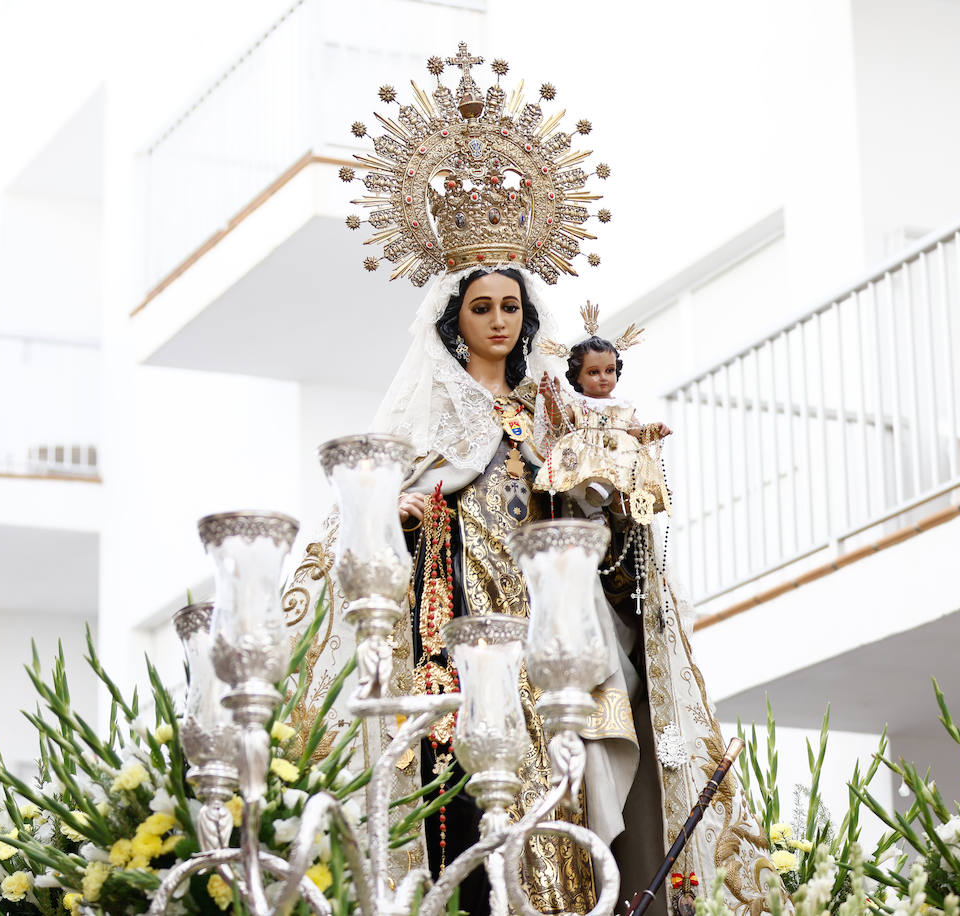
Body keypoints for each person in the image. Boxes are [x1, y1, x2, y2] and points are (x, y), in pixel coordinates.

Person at [282, 44, 779, 916]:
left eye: (512, 306)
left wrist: (615, 482)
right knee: (482, 794)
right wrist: (406, 510)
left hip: (562, 624)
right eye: (483, 308)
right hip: (465, 632)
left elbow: (598, 509)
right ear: (452, 319)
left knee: (583, 762)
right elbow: (367, 522)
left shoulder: (553, 404)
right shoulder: (423, 421)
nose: (500, 322)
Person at [535, 303, 673, 524]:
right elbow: (559, 421)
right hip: (585, 455)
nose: (603, 377)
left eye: (609, 371)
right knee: (579, 484)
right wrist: (551, 399)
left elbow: (636, 431)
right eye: (593, 372)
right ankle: (593, 512)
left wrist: (653, 431)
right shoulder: (578, 404)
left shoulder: (623, 405)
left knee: (630, 456)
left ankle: (612, 500)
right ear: (577, 377)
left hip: (615, 452)